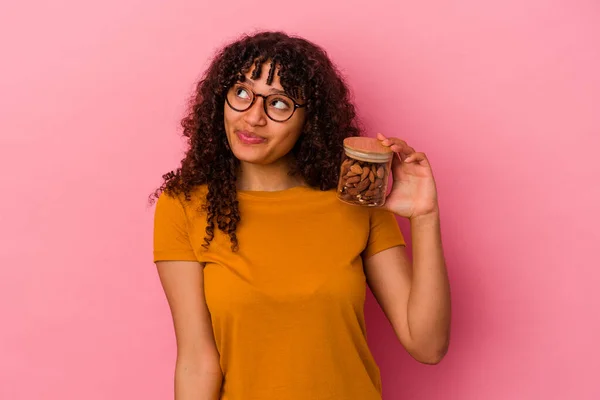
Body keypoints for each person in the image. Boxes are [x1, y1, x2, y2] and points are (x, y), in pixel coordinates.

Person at [151, 30, 451, 400]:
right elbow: (197, 360)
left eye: (279, 103)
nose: (253, 118)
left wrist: (424, 216)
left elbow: (427, 344)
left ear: (310, 119)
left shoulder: (354, 200)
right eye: (242, 93)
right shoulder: (184, 205)